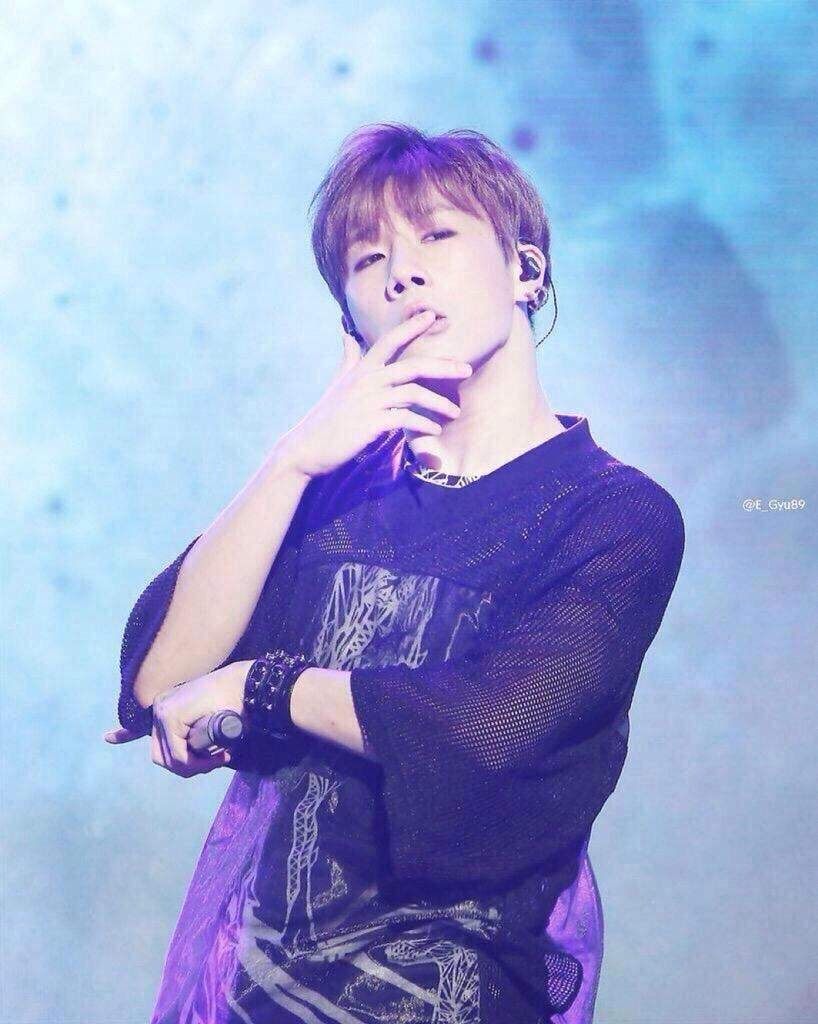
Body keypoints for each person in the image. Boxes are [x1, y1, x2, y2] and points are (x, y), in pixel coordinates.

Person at [106, 123, 685, 1024]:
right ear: (349, 317)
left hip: (451, 992)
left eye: (437, 237)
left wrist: (262, 687)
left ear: (527, 270)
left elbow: (483, 730)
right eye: (369, 258)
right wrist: (294, 461)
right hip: (252, 988)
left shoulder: (614, 514)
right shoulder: (331, 494)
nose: (403, 275)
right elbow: (159, 682)